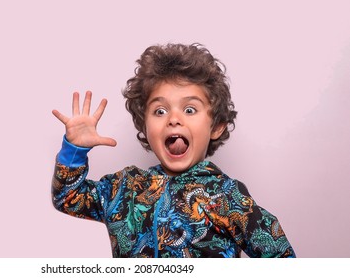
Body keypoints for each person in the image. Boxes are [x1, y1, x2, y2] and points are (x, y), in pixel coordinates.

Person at [51, 43, 296, 258]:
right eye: (160, 111)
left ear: (216, 126)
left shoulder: (227, 196)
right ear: (144, 126)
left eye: (190, 109)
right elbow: (67, 199)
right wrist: (75, 149)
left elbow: (279, 256)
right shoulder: (124, 188)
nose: (174, 119)